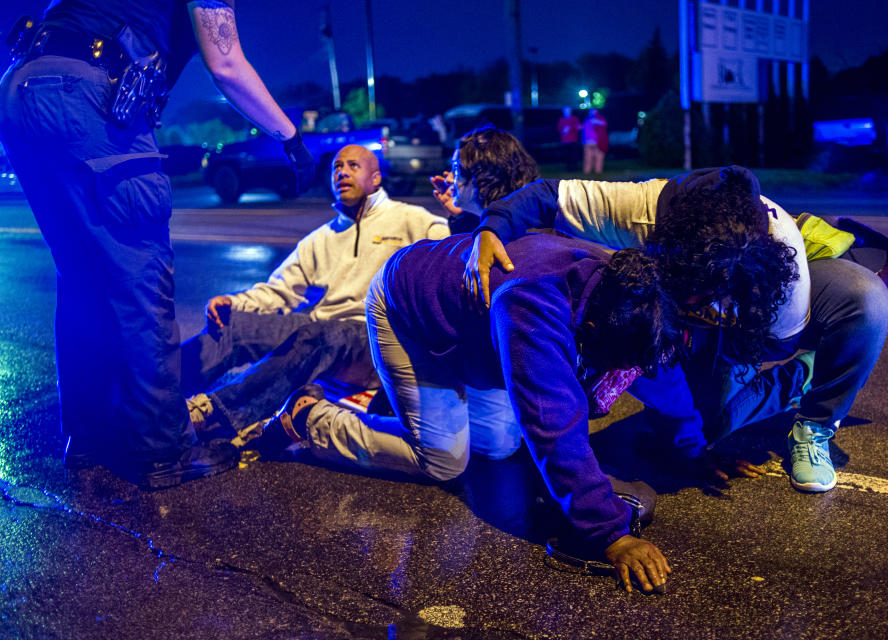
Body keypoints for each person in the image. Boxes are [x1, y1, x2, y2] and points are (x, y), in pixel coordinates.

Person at [0, 0, 316, 488]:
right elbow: (227, 63)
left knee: (82, 278)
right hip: (85, 93)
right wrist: (291, 139)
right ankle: (162, 451)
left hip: (22, 87)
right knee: (140, 278)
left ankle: (87, 438)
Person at [263, 233, 679, 593]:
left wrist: (692, 449)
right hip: (406, 312)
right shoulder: (533, 303)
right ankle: (309, 416)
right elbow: (553, 424)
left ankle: (407, 404)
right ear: (589, 331)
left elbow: (653, 368)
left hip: (470, 334)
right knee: (444, 459)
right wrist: (611, 534)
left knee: (499, 445)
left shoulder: (627, 288)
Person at [464, 167, 888, 493]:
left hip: (758, 322)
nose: (694, 299)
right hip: (691, 309)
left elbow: (766, 346)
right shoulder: (641, 208)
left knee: (866, 298)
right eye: (690, 287)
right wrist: (490, 228)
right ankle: (709, 375)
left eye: (704, 291)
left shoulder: (775, 264)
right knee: (682, 420)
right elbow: (543, 195)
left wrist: (696, 344)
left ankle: (811, 405)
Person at [182, 144, 448, 436]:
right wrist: (235, 303)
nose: (341, 173)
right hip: (322, 333)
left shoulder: (411, 219)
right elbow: (279, 290)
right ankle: (159, 391)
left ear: (375, 178)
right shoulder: (320, 238)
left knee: (320, 333)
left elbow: (455, 250)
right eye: (336, 167)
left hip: (374, 339)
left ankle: (216, 414)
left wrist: (465, 214)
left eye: (353, 166)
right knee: (234, 325)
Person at [429, 125, 539, 234]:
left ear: (486, 173)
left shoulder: (524, 235)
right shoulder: (512, 222)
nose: (448, 180)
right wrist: (463, 217)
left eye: (457, 169)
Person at [581, 108, 608, 174]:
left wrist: (598, 122)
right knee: (588, 158)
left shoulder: (599, 119)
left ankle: (598, 171)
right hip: (588, 142)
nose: (593, 113)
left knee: (598, 157)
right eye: (591, 111)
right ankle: (587, 172)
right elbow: (584, 131)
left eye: (594, 111)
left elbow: (604, 124)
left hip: (597, 142)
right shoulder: (587, 120)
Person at [556, 106, 580, 172]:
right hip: (565, 141)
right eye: (566, 110)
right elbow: (559, 129)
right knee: (567, 155)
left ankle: (575, 168)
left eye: (568, 110)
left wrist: (571, 128)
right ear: (563, 111)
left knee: (574, 155)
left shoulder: (575, 119)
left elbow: (578, 128)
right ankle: (568, 168)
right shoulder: (561, 120)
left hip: (573, 140)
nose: (567, 112)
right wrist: (563, 130)